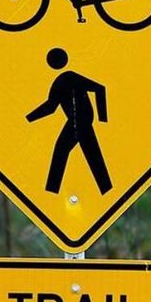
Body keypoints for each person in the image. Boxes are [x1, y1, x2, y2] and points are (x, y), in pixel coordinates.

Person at [26, 47, 112, 195]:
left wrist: (103, 118)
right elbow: (51, 107)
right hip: (77, 120)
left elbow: (99, 88)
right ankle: (106, 189)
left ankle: (52, 190)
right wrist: (29, 119)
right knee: (89, 154)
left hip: (81, 120)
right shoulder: (60, 81)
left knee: (64, 150)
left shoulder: (69, 77)